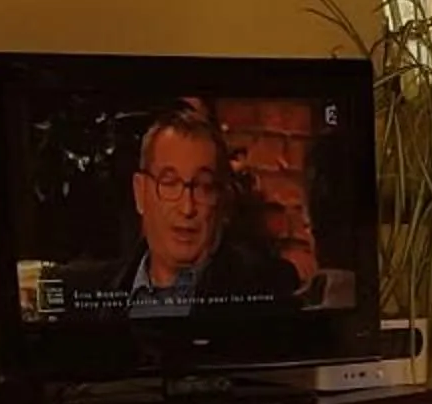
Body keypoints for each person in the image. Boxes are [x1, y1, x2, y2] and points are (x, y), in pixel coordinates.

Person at [69, 108, 301, 315]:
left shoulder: (265, 289)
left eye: (204, 186)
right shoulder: (90, 295)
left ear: (220, 199)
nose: (187, 208)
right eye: (169, 183)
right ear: (140, 193)